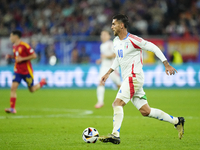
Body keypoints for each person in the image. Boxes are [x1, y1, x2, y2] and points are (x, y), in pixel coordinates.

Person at [98, 14, 185, 144]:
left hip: (134, 77)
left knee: (117, 103)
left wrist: (166, 64)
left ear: (121, 25)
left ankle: (115, 134)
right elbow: (118, 58)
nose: (111, 27)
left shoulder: (133, 39)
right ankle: (177, 121)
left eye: (114, 24)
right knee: (146, 111)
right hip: (129, 79)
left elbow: (154, 47)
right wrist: (108, 72)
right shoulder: (116, 41)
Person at [5, 30, 47, 114]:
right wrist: (10, 57)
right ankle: (12, 108)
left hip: (27, 72)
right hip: (17, 71)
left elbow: (34, 55)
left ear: (15, 36)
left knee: (32, 90)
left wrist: (22, 59)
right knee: (13, 88)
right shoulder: (14, 46)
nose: (10, 38)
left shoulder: (25, 46)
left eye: (11, 36)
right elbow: (17, 57)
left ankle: (42, 82)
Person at [95, 29, 121, 108]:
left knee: (118, 85)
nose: (103, 36)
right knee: (100, 82)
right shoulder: (102, 45)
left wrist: (105, 57)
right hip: (104, 67)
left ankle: (130, 96)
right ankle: (100, 102)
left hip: (112, 68)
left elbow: (116, 55)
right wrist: (100, 60)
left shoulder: (111, 44)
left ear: (109, 36)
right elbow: (104, 56)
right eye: (102, 34)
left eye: (105, 34)